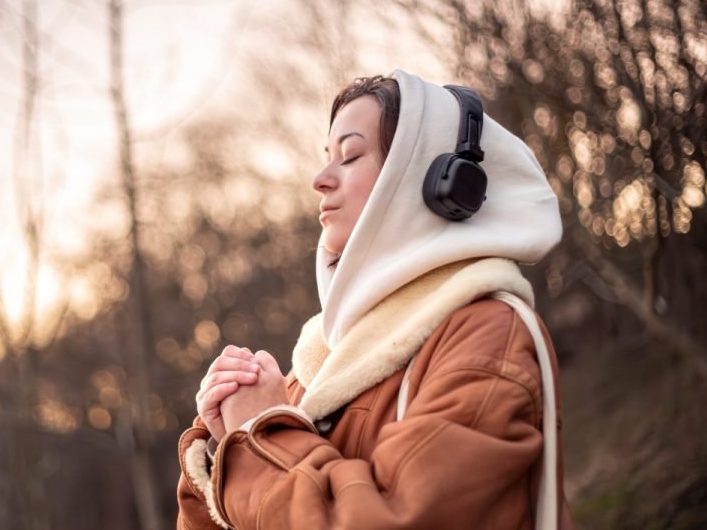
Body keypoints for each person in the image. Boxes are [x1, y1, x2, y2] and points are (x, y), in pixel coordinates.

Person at [176, 70, 576, 529]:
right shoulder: (320, 358)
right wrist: (223, 450)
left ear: (429, 179)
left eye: (349, 156)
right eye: (326, 157)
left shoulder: (487, 335)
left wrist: (263, 435)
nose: (320, 179)